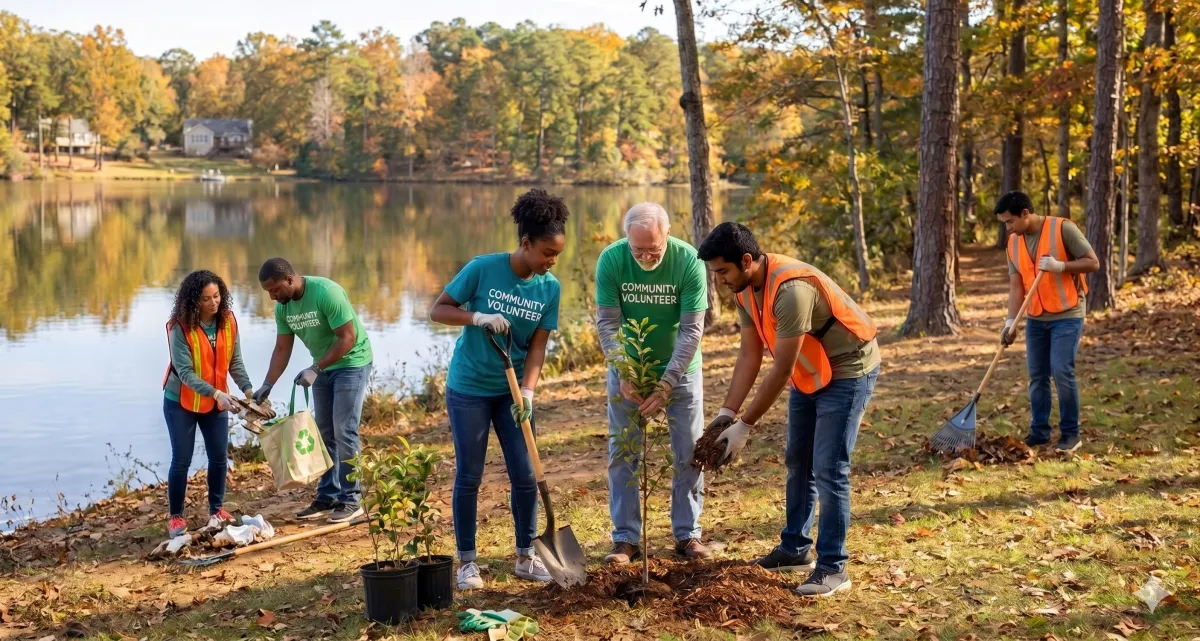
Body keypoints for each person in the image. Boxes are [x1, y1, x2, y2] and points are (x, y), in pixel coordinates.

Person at [696, 222, 881, 597]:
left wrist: (746, 425)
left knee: (829, 468)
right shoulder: (745, 290)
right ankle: (795, 550)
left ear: (747, 261)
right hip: (811, 372)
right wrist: (726, 413)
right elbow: (749, 354)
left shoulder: (791, 291)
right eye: (714, 273)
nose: (719, 281)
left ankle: (833, 568)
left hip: (848, 369)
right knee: (798, 460)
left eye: (723, 271)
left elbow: (779, 368)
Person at [428, 188, 568, 591]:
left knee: (525, 474)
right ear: (525, 243)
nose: (551, 262)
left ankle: (526, 555)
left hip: (513, 392)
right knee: (469, 475)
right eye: (546, 253)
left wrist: (528, 391)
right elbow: (438, 309)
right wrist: (477, 317)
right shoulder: (482, 268)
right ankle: (467, 563)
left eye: (557, 255)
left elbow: (539, 344)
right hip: (469, 387)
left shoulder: (550, 288)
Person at [595, 202, 711, 564]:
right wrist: (624, 371)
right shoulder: (612, 260)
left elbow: (692, 329)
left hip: (681, 370)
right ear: (626, 238)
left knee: (689, 452)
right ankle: (625, 539)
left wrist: (666, 385)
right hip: (631, 367)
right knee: (622, 452)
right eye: (638, 249)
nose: (645, 256)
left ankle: (687, 535)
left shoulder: (689, 261)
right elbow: (607, 324)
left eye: (653, 249)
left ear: (668, 235)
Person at [255, 258, 373, 524]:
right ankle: (328, 495)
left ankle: (352, 499)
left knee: (344, 429)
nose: (273, 297)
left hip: (352, 362)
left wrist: (315, 368)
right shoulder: (283, 309)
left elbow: (348, 337)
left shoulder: (325, 292)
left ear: (289, 279)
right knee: (324, 432)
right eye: (268, 293)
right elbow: (282, 348)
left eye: (275, 290)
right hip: (322, 366)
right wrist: (268, 384)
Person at [994, 191, 1099, 452]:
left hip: (1068, 312)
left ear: (1026, 214)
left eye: (1010, 221)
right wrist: (1010, 322)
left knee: (1061, 370)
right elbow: (1016, 286)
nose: (1007, 227)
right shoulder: (1013, 243)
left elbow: (1093, 263)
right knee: (1037, 375)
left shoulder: (1063, 228)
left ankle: (1071, 434)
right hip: (1036, 316)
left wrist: (1060, 266)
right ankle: (1039, 433)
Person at [162, 270, 255, 538]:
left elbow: (234, 362)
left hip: (217, 402)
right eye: (206, 299)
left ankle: (217, 510)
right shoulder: (179, 328)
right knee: (181, 460)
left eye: (217, 296)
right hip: (181, 401)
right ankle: (176, 517)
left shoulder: (228, 321)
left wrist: (248, 391)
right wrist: (217, 394)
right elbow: (186, 372)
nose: (214, 303)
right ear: (193, 301)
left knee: (218, 457)